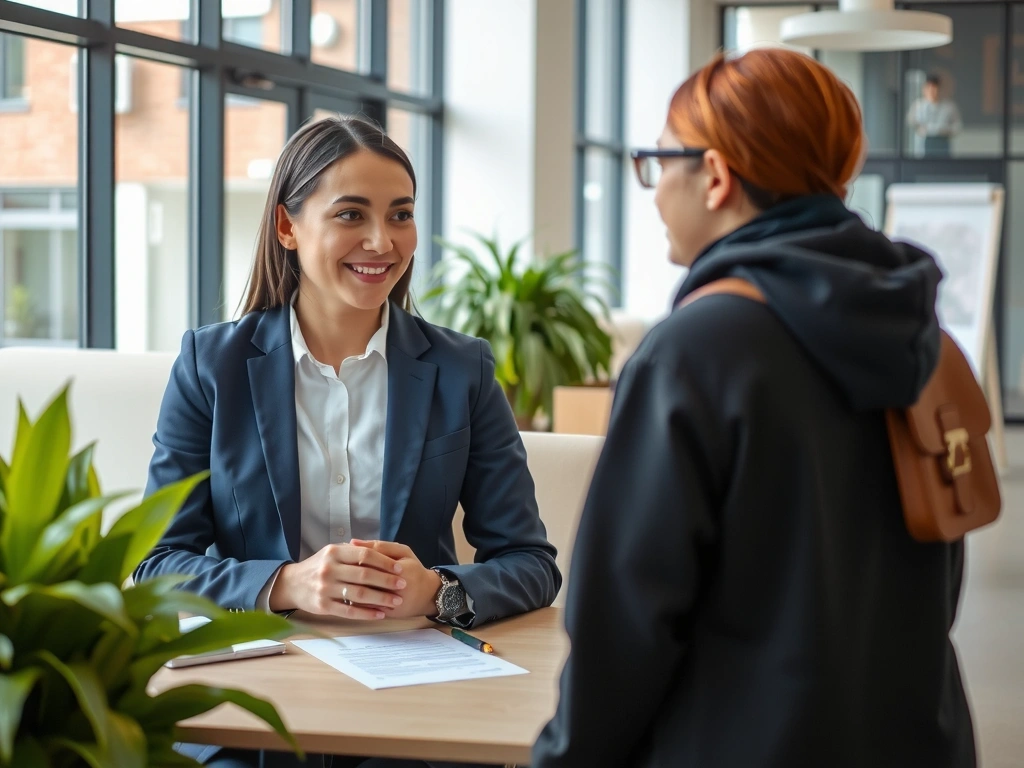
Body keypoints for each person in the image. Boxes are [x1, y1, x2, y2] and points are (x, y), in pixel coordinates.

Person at [532, 49, 976, 768]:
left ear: (713, 175)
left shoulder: (696, 349)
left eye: (657, 163)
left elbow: (626, 626)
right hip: (917, 735)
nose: (651, 192)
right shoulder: (914, 327)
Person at [135, 116, 560, 768]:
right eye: (351, 214)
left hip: (419, 707)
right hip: (254, 707)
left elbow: (530, 562)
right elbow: (158, 567)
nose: (381, 241)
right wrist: (287, 583)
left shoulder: (461, 370)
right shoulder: (210, 367)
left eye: (400, 215)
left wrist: (437, 592)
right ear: (287, 226)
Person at [907, 73, 962, 157]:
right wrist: (922, 129)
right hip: (923, 143)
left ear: (939, 89)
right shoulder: (918, 106)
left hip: (942, 142)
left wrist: (943, 130)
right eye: (929, 88)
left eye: (934, 88)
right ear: (924, 89)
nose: (931, 91)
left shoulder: (949, 106)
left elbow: (957, 126)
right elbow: (911, 121)